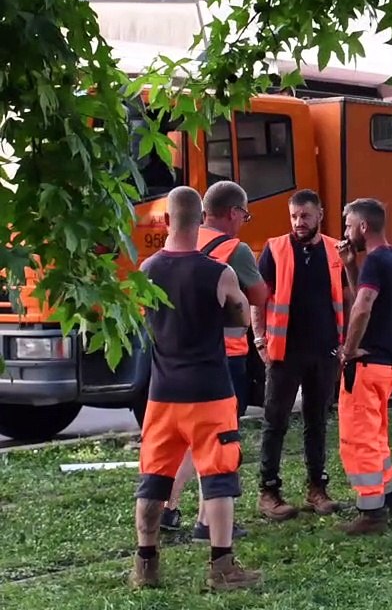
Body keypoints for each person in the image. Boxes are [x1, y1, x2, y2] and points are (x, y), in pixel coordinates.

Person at [131, 186, 261, 591]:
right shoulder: (218, 273)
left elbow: (145, 317)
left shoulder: (147, 270)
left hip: (163, 394)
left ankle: (146, 564)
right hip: (211, 392)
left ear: (167, 221)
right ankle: (222, 567)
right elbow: (241, 319)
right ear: (201, 220)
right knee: (218, 477)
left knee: (154, 478)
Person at [160, 180, 268, 540]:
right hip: (225, 357)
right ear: (233, 213)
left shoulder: (178, 240)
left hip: (180, 353)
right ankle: (208, 522)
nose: (243, 223)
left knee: (190, 438)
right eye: (244, 216)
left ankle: (168, 506)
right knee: (219, 440)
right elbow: (258, 296)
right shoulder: (235, 250)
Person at [251, 189, 349, 519]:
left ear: (320, 214)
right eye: (294, 216)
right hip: (284, 353)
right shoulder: (275, 248)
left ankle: (317, 489)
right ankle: (268, 492)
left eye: (305, 216)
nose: (298, 222)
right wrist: (260, 340)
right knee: (275, 422)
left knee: (317, 422)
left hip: (324, 352)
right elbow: (258, 298)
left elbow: (346, 296)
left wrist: (343, 344)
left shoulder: (335, 250)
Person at [335, 198, 392, 536]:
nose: (345, 233)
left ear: (363, 226)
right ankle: (388, 495)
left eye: (348, 225)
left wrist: (348, 350)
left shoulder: (376, 261)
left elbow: (363, 306)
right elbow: (367, 297)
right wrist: (350, 267)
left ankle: (371, 511)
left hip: (365, 366)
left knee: (359, 439)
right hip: (387, 365)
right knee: (377, 435)